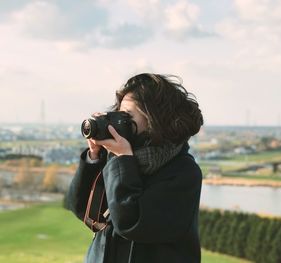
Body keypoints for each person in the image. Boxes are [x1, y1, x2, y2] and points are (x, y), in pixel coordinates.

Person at [66, 73, 204, 263]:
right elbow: (82, 208)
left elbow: (132, 223)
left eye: (127, 116)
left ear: (155, 119)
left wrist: (122, 159)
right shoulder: (118, 159)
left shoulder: (183, 172)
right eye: (118, 113)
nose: (119, 121)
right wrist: (94, 157)